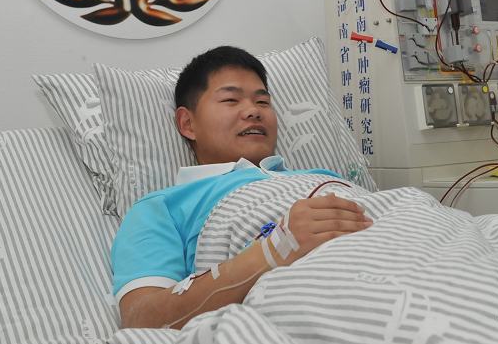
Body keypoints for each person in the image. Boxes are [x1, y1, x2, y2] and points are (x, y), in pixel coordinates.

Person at [112, 46, 373, 329]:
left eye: (263, 102)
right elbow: (140, 320)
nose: (253, 111)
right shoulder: (163, 207)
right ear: (188, 124)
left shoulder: (320, 176)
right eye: (230, 99)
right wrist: (273, 249)